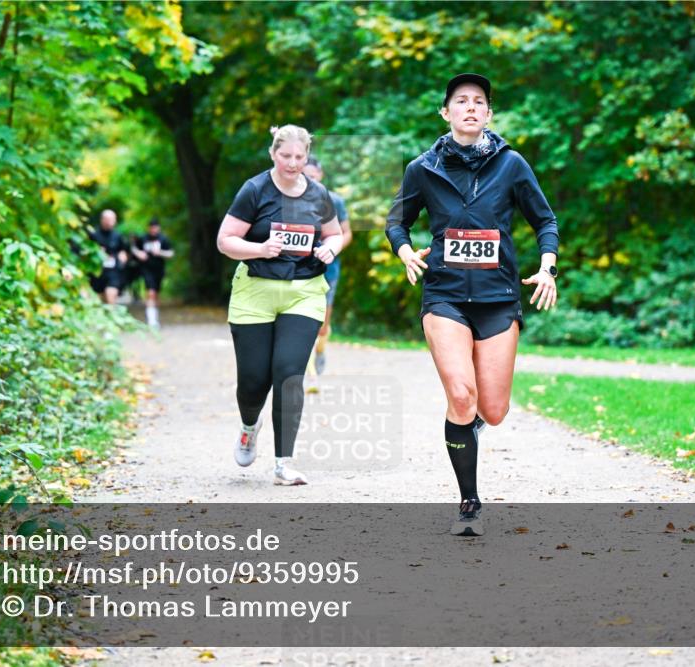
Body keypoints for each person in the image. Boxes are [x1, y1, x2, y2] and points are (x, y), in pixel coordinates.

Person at [386, 74, 559, 536]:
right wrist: (404, 250)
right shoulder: (423, 168)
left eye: (479, 101)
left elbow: (545, 220)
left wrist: (548, 268)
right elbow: (397, 222)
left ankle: (471, 425)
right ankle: (469, 500)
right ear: (445, 112)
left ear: (488, 114)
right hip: (444, 295)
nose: (469, 107)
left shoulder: (512, 165)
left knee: (494, 410)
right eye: (460, 101)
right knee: (461, 396)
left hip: (499, 297)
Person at [217, 125, 344, 486]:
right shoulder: (255, 190)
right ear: (273, 154)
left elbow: (334, 233)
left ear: (307, 157)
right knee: (254, 381)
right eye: (285, 156)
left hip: (304, 291)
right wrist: (260, 248)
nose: (292, 163)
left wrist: (329, 248)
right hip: (255, 290)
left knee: (289, 373)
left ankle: (283, 463)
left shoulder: (319, 194)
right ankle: (248, 425)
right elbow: (225, 240)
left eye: (299, 157)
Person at [302, 158, 352, 376]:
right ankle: (305, 364)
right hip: (299, 268)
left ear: (320, 176)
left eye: (313, 176)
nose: (309, 180)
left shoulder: (334, 201)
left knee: (323, 320)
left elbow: (346, 233)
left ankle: (320, 348)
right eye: (306, 176)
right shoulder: (291, 200)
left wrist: (332, 248)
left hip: (328, 269)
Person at [129, 217, 175, 329]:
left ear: (158, 228)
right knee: (150, 292)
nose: (153, 230)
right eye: (151, 228)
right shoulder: (143, 238)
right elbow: (134, 248)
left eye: (155, 227)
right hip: (146, 269)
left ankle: (154, 318)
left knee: (156, 294)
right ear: (149, 228)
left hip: (158, 270)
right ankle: (151, 321)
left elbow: (171, 253)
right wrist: (139, 253)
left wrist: (160, 252)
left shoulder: (163, 239)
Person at [88, 209, 128, 305]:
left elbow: (124, 250)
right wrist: (96, 252)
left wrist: (123, 257)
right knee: (100, 299)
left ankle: (112, 314)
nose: (111, 222)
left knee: (110, 294)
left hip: (113, 271)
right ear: (102, 220)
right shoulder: (93, 235)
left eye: (113, 219)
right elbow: (86, 251)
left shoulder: (118, 236)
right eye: (108, 219)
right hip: (97, 271)